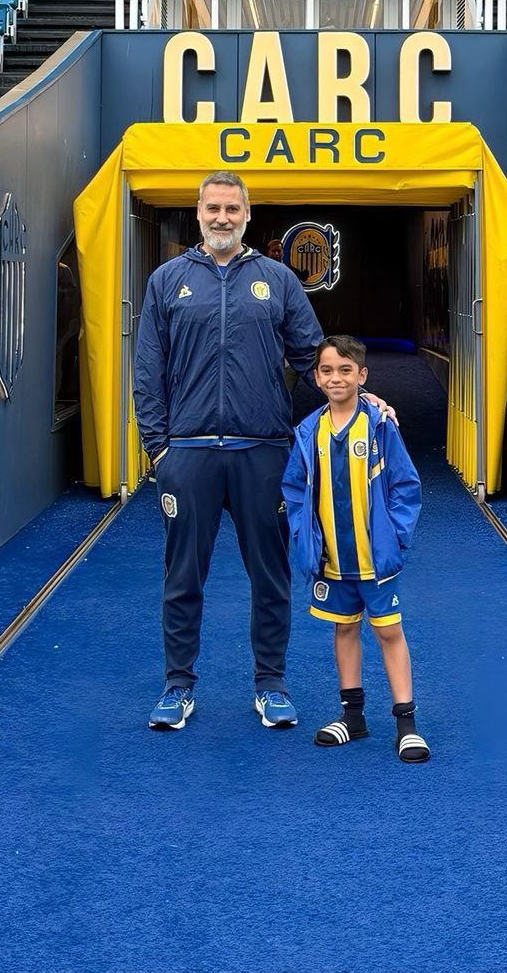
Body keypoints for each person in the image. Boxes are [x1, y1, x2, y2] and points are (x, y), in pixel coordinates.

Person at [133, 170, 323, 732]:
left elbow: (313, 357)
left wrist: (360, 400)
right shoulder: (167, 281)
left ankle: (271, 685)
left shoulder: (278, 280)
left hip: (262, 453)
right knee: (182, 578)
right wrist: (158, 450)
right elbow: (148, 370)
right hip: (188, 454)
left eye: (232, 209)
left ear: (247, 215)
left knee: (271, 577)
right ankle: (177, 686)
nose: (222, 218)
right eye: (212, 208)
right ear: (198, 213)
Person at [281, 335, 430, 762]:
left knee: (388, 631)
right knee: (344, 629)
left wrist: (396, 539)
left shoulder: (380, 425)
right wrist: (304, 537)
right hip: (332, 560)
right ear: (316, 377)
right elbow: (294, 489)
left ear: (362, 375)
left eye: (346, 370)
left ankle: (406, 724)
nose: (336, 378)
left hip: (375, 559)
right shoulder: (309, 432)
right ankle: (353, 717)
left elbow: (406, 485)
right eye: (327, 370)